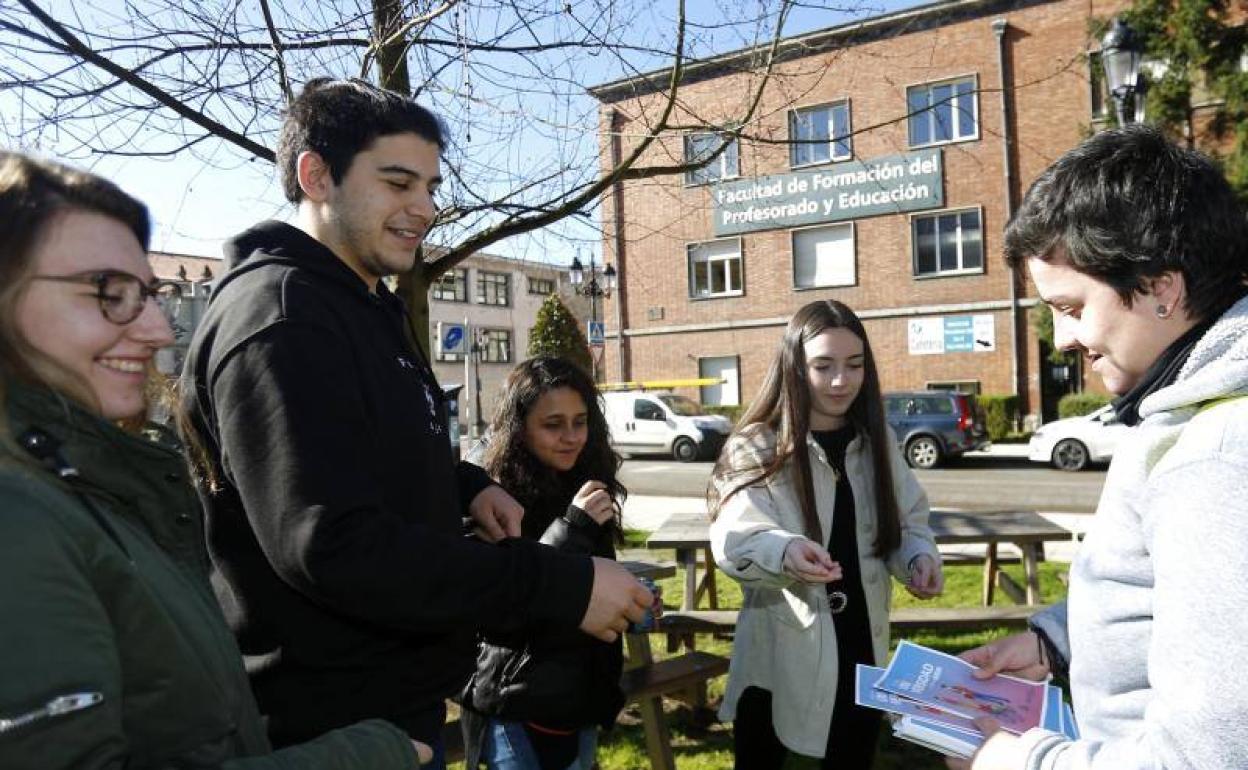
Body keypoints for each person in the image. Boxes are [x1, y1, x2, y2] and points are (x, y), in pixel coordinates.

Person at [177, 78, 651, 766]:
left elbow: (368, 447)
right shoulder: (283, 319)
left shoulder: (365, 302)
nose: (425, 209)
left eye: (430, 187)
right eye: (398, 183)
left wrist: (463, 486)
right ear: (316, 175)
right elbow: (330, 543)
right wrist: (560, 584)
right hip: (325, 726)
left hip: (394, 705)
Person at [0, 152, 429, 768]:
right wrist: (367, 755)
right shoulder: (20, 515)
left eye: (149, 294)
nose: (156, 330)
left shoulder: (90, 490)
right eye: (109, 293)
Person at [952, 125, 1248, 769]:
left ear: (1160, 289)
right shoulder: (1193, 415)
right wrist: (1059, 641)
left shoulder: (1217, 459)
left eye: (1070, 306)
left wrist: (1008, 760)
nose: (1060, 339)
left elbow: (1203, 759)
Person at [708, 299, 944, 769]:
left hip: (861, 644)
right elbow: (737, 534)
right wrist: (785, 550)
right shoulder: (756, 445)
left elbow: (908, 522)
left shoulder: (876, 441)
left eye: (854, 365)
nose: (841, 381)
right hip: (780, 649)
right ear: (795, 366)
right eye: (823, 366)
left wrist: (919, 556)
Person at [459, 356, 628, 769]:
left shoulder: (588, 478)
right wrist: (572, 528)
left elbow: (592, 586)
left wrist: (630, 600)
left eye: (581, 421)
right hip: (513, 706)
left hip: (580, 699)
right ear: (520, 429)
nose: (571, 437)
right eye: (553, 424)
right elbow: (496, 607)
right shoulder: (489, 494)